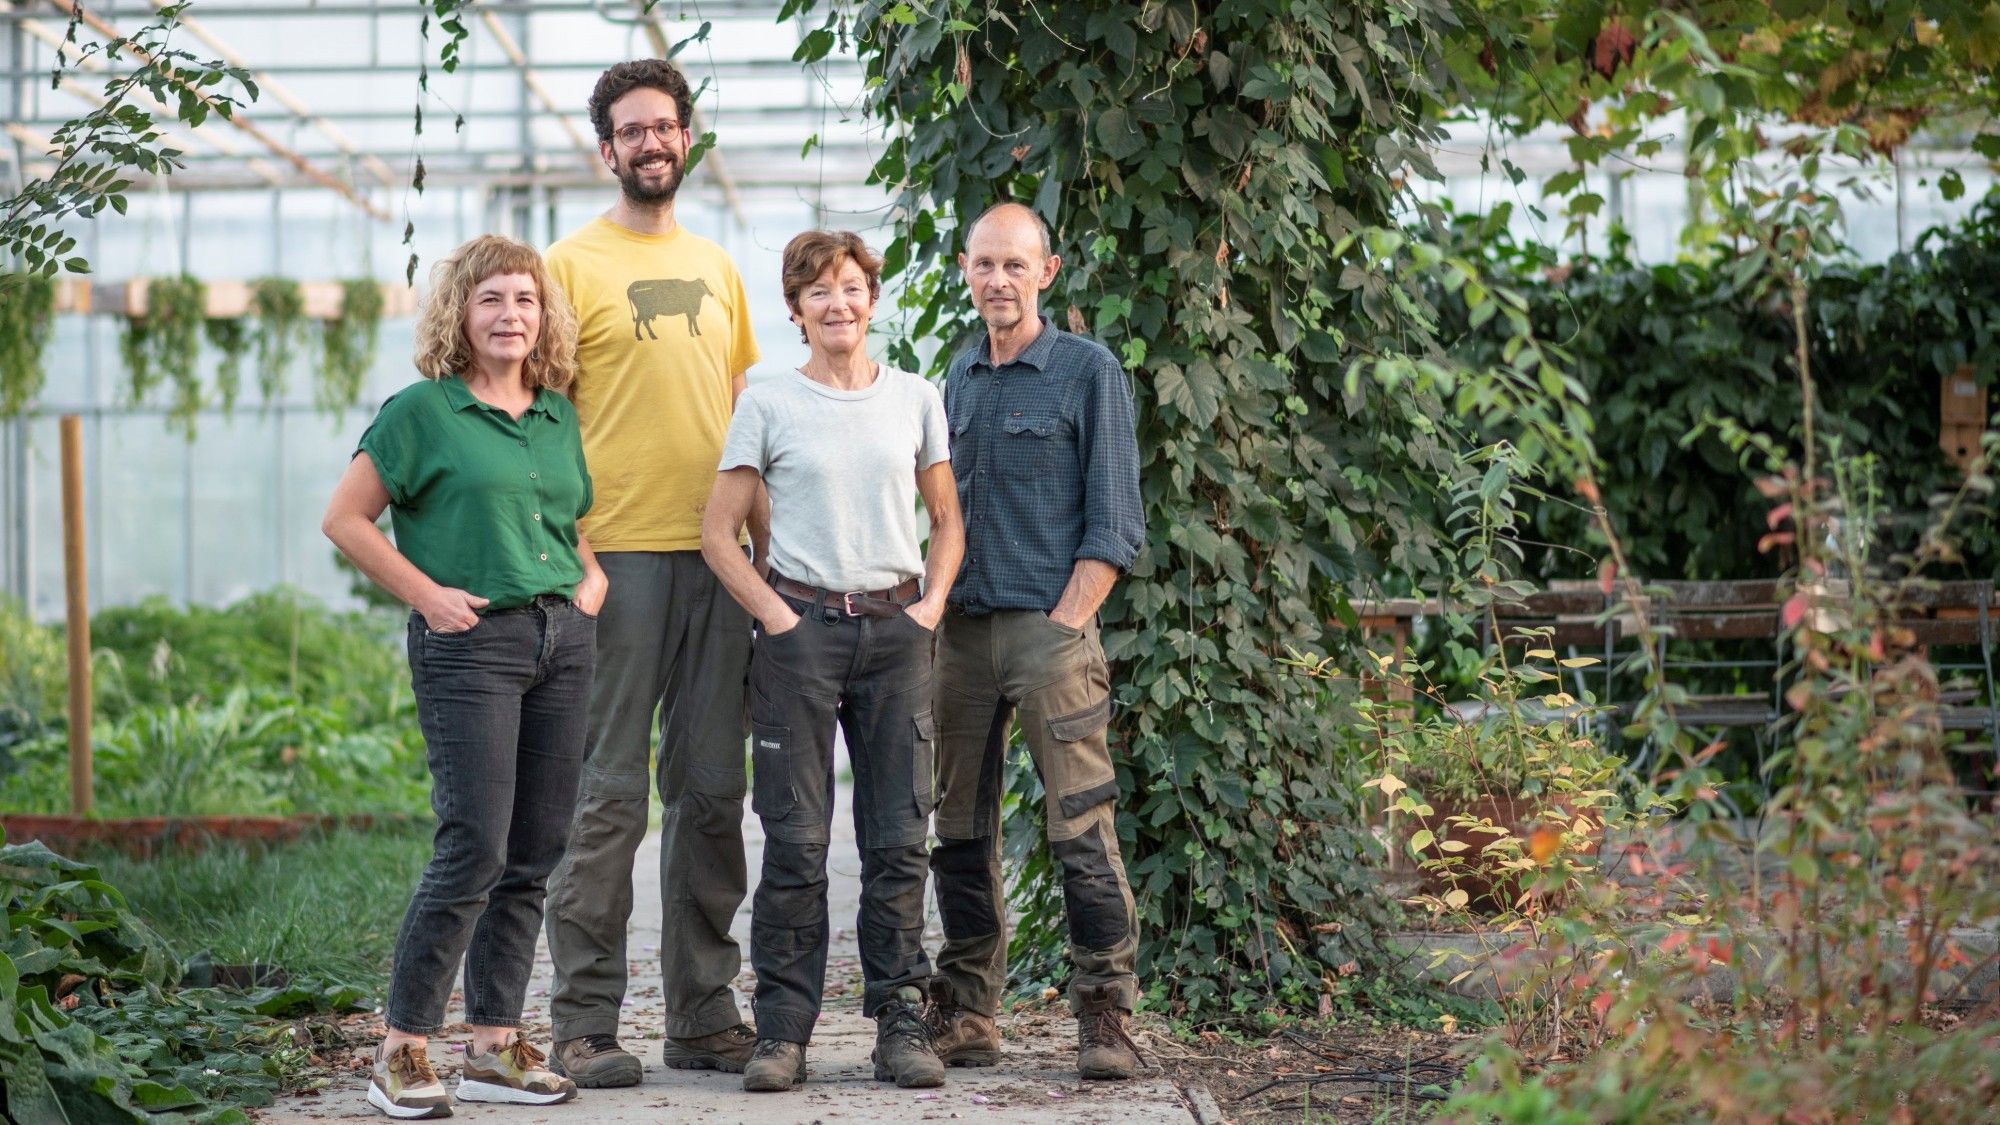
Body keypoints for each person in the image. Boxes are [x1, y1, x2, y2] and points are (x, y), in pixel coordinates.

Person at [323, 234, 601, 1118]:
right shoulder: (421, 413)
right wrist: (429, 596)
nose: (511, 314)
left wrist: (591, 580)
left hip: (562, 639)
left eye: (524, 299)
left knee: (533, 851)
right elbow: (347, 518)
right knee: (473, 844)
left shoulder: (557, 413)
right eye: (491, 300)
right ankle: (401, 1048)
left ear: (543, 314)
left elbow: (564, 518)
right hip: (471, 644)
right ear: (460, 315)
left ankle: (492, 1045)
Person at [538, 59, 765, 1087]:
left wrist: (762, 543)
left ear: (687, 138)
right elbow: (535, 420)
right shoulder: (564, 267)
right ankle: (583, 1020)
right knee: (608, 798)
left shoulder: (717, 269)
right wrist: (574, 552)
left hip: (717, 560)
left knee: (713, 791)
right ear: (606, 149)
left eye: (665, 127)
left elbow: (743, 415)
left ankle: (702, 1014)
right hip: (612, 562)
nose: (651, 143)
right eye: (631, 131)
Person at [701, 230, 965, 1094]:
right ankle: (783, 1028)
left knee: (898, 838)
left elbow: (947, 519)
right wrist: (778, 618)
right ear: (794, 309)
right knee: (797, 838)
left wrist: (928, 605)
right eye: (818, 292)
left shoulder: (916, 397)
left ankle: (899, 1020)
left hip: (897, 634)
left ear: (872, 298)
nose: (838, 303)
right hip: (800, 636)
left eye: (851, 286)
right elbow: (719, 532)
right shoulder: (769, 402)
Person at [924, 202, 1148, 1081]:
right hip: (963, 639)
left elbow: (1116, 522)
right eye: (985, 265)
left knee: (1081, 827)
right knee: (956, 831)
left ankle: (1105, 1013)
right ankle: (971, 1010)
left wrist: (1067, 619)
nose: (999, 281)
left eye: (1016, 265)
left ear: (1046, 273)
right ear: (966, 270)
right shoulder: (959, 378)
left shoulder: (1088, 372)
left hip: (1051, 634)